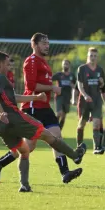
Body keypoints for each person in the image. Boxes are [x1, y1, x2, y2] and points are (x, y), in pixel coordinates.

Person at [0, 51, 86, 192]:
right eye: (7, 64)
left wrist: (36, 97)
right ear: (0, 64)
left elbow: (12, 97)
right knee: (47, 135)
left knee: (24, 151)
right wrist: (3, 113)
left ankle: (24, 185)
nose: (9, 67)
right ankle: (75, 155)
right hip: (12, 117)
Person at [17, 32, 83, 183]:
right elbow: (31, 86)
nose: (47, 46)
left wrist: (51, 89)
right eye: (43, 43)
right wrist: (52, 88)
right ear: (34, 45)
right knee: (29, 146)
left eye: (48, 43)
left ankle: (65, 172)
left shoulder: (45, 62)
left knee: (56, 137)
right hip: (33, 107)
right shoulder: (31, 61)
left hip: (44, 107)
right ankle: (1, 162)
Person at [75, 47, 105, 154]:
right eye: (91, 56)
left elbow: (102, 89)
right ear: (87, 56)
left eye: (95, 56)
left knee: (96, 124)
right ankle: (79, 147)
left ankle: (97, 148)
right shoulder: (82, 69)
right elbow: (79, 86)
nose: (93, 58)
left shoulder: (100, 70)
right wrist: (85, 95)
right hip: (85, 101)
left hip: (97, 100)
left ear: (97, 57)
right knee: (81, 125)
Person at [52, 59, 76, 131]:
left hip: (67, 97)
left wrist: (73, 87)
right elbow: (49, 80)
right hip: (59, 96)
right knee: (59, 113)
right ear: (62, 65)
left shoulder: (72, 76)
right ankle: (54, 128)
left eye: (67, 64)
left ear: (69, 65)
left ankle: (59, 131)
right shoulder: (59, 74)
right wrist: (53, 88)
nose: (65, 65)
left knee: (63, 116)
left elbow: (75, 87)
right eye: (64, 64)